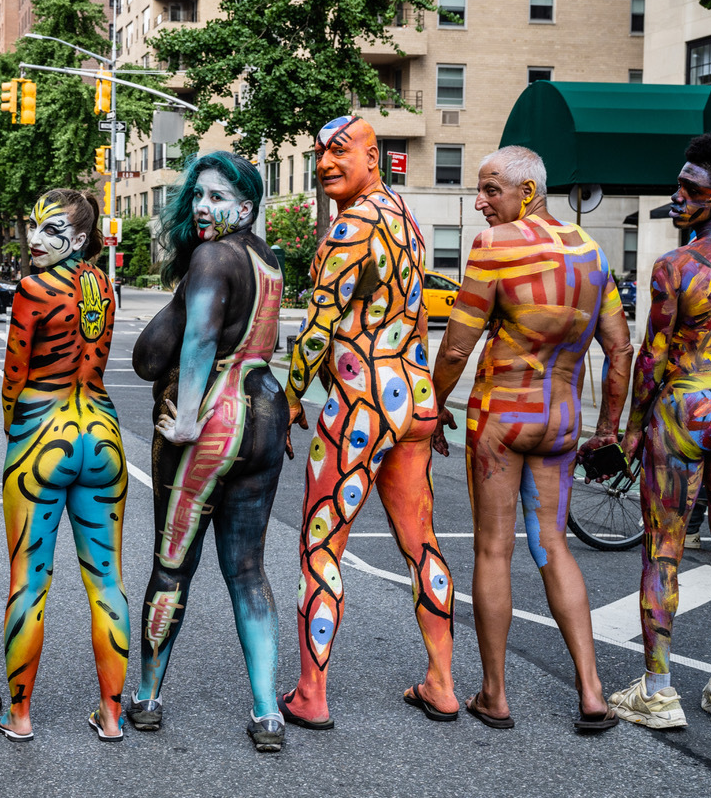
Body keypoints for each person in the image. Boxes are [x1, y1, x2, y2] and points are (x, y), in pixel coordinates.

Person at [430, 146, 632, 731]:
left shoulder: (496, 247)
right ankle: (592, 694)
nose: (480, 202)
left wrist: (434, 403)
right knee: (554, 547)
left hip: (503, 418)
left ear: (527, 191)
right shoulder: (592, 253)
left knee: (494, 549)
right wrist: (608, 430)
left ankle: (494, 695)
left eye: (491, 189)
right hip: (562, 423)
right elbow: (619, 350)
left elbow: (457, 346)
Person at [279, 116, 456, 730]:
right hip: (412, 395)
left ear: (373, 156)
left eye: (340, 151)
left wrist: (287, 395)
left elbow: (318, 327)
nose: (327, 162)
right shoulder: (404, 220)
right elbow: (414, 316)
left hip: (362, 404)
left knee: (320, 547)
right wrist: (429, 398)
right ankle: (442, 682)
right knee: (421, 544)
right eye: (320, 153)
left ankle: (310, 694)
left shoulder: (352, 227)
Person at [609, 132, 711, 729]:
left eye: (690, 189)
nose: (675, 196)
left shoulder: (674, 266)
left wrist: (630, 428)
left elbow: (652, 357)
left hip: (683, 409)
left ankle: (659, 691)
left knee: (664, 551)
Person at [130, 151, 289, 752]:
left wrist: (187, 420)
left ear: (246, 207)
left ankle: (146, 696)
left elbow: (198, 338)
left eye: (218, 198)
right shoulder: (267, 260)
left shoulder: (211, 256)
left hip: (214, 419)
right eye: (198, 196)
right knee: (247, 568)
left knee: (172, 564)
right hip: (264, 412)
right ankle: (266, 709)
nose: (202, 207)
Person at [0, 189, 130, 744]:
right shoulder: (103, 286)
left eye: (50, 231)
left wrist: (11, 426)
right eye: (33, 226)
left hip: (42, 432)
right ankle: (112, 716)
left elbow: (14, 369)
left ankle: (20, 715)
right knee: (108, 583)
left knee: (29, 582)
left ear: (76, 240)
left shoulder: (32, 288)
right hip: (102, 433)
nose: (33, 239)